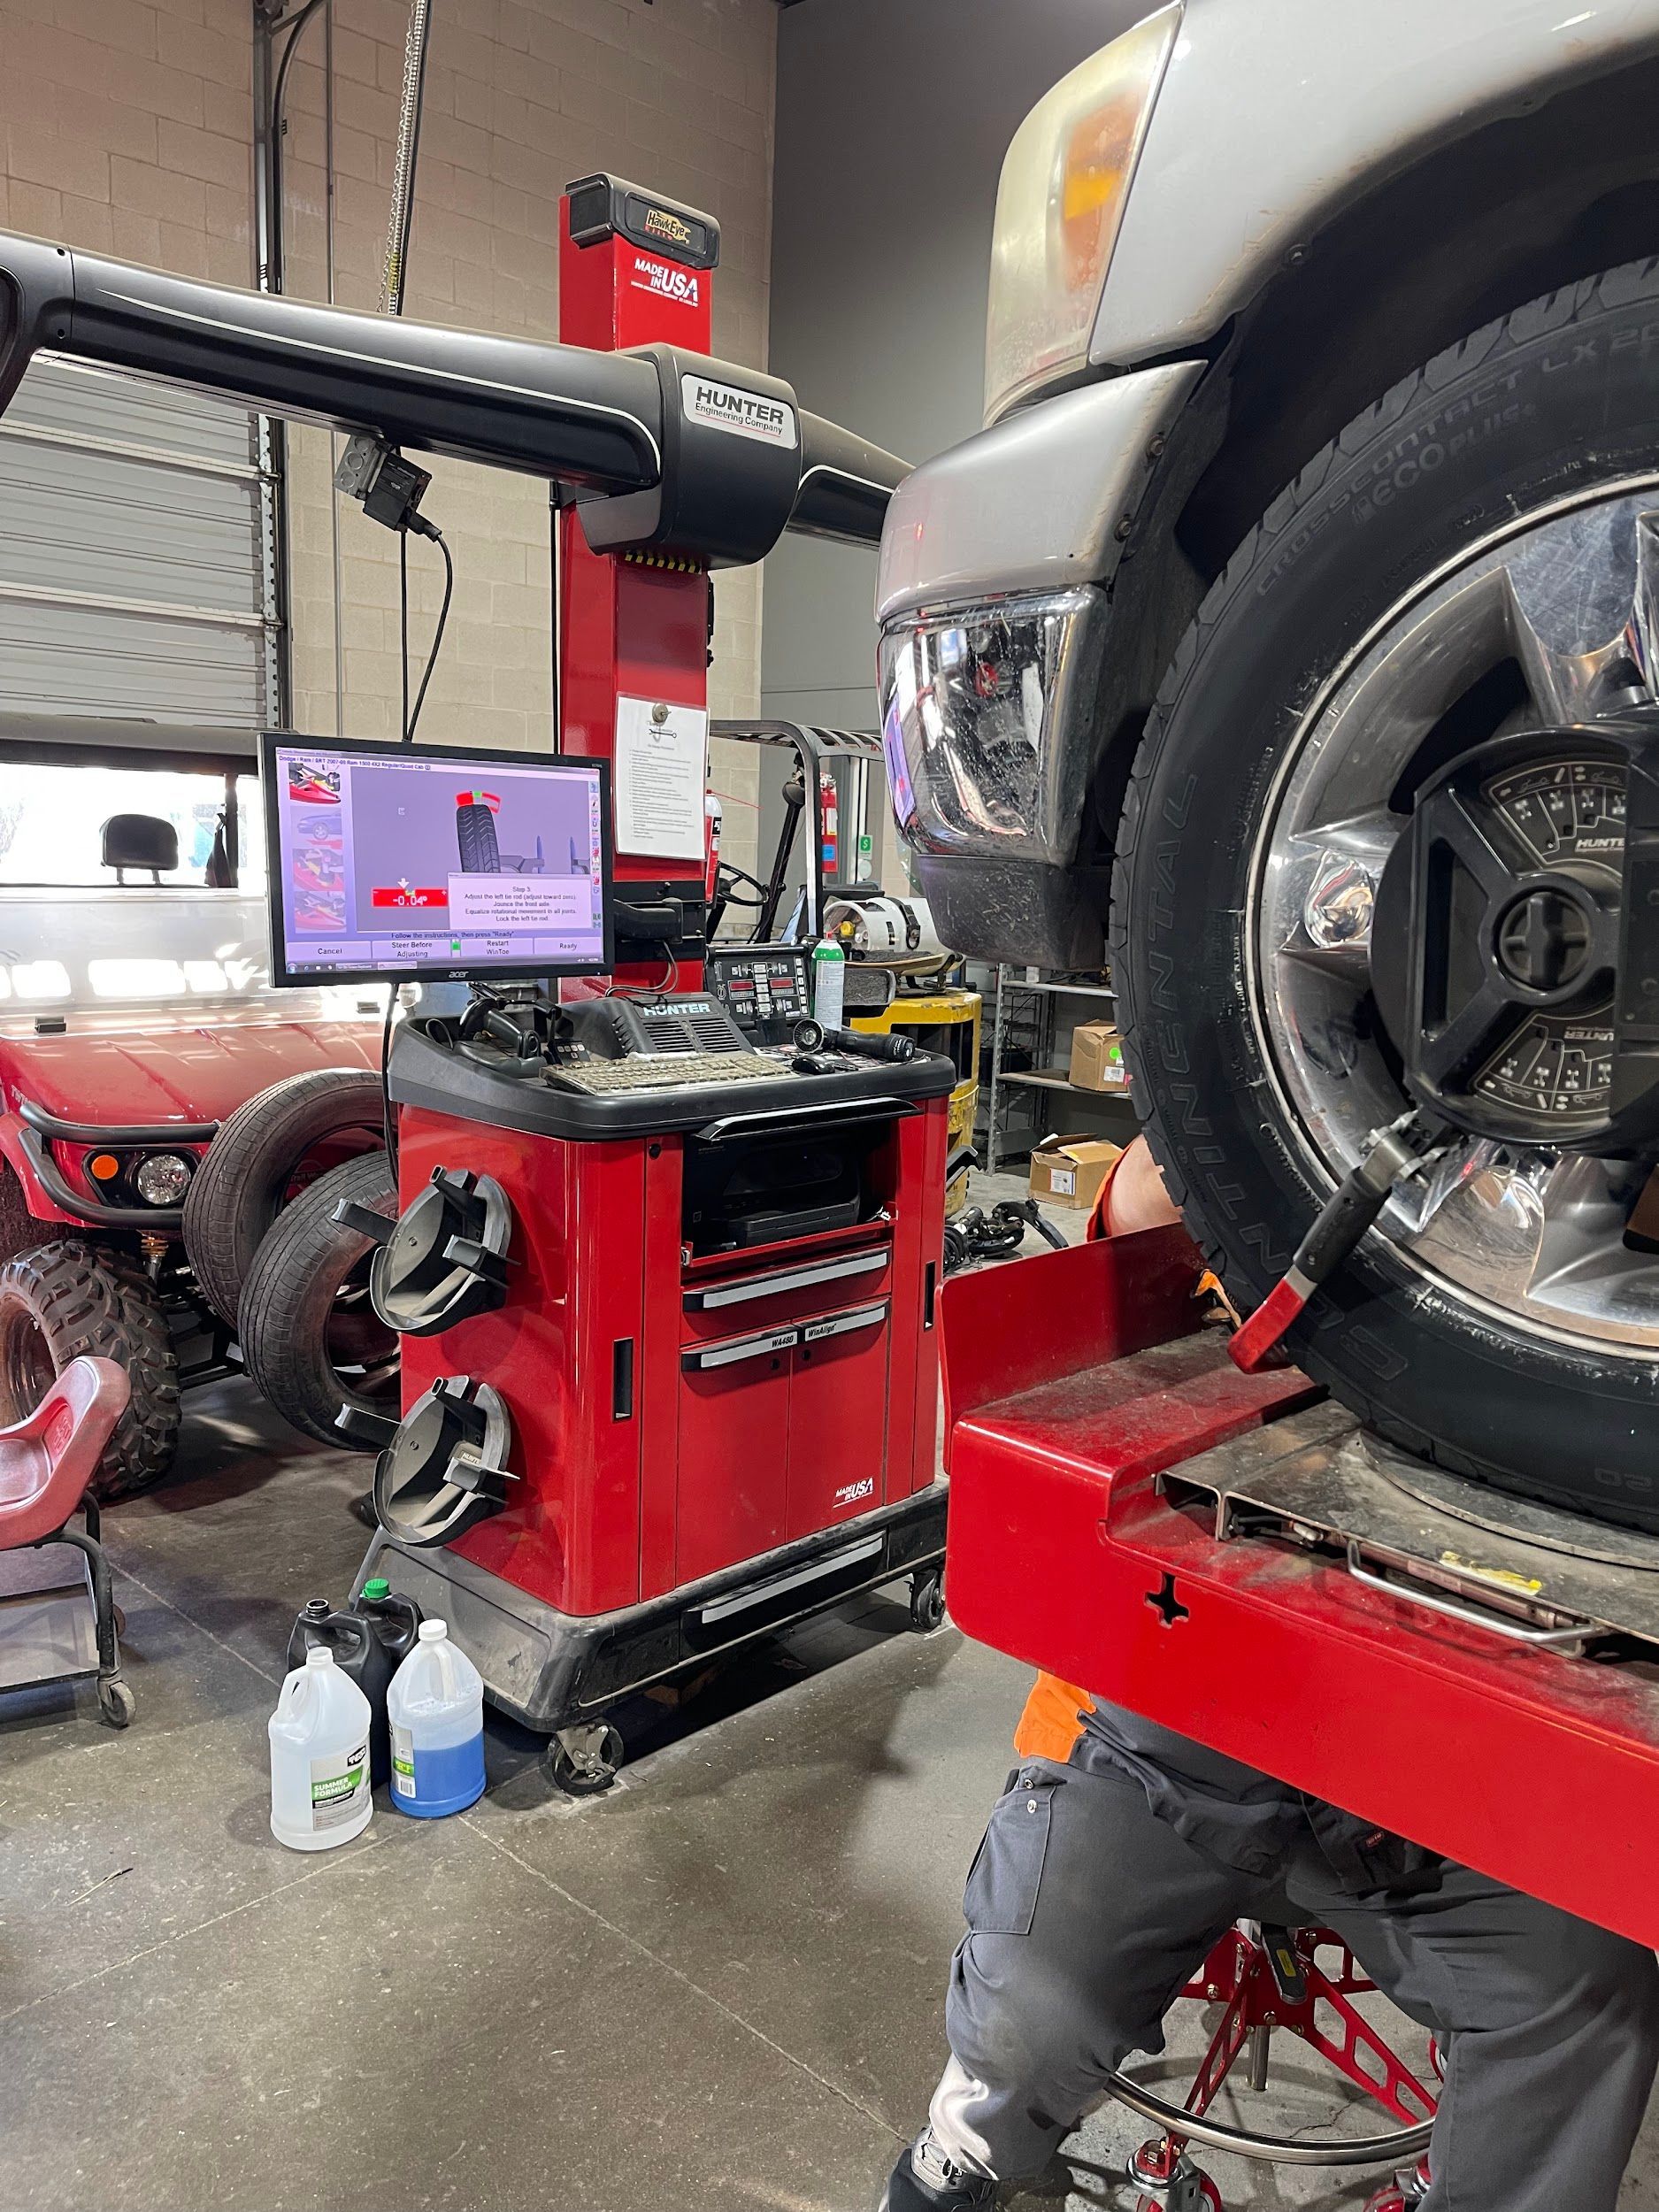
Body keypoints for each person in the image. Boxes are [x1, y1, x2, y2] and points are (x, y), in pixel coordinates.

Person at [883, 1138, 1659, 2212]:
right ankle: (958, 2163)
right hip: (1169, 1741)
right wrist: (1248, 1141)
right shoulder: (1275, 1159)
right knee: (1029, 2014)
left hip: (1459, 1779)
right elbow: (1020, 1397)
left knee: (1588, 1997)